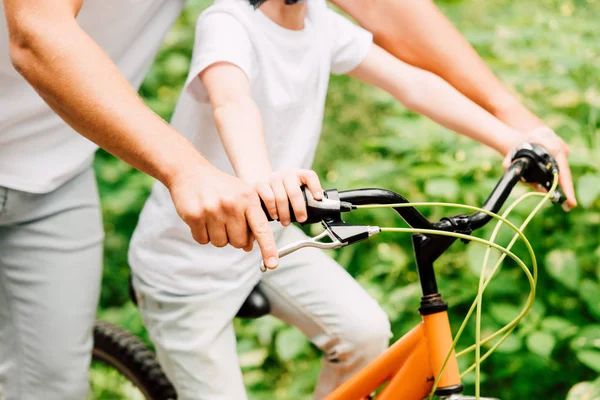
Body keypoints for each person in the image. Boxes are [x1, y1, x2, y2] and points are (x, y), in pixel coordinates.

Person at [0, 0, 575, 399]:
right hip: (189, 270)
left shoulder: (319, 21)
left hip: (266, 241)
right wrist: (259, 179)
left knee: (365, 334)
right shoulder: (227, 23)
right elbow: (232, 103)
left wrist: (512, 136)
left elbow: (410, 80)